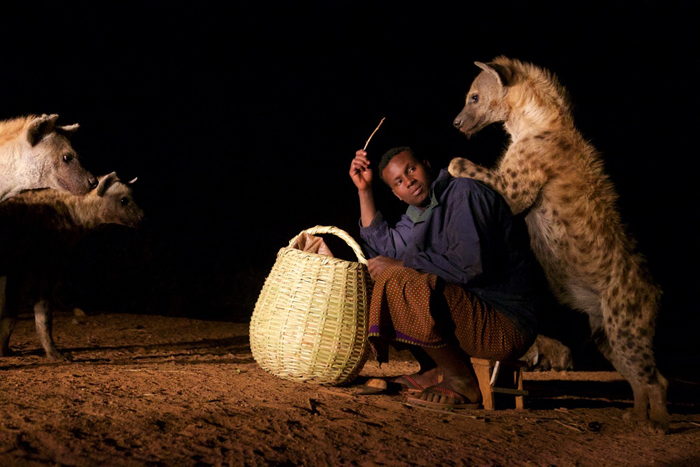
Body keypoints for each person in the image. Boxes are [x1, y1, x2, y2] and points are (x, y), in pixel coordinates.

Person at [349, 146, 550, 409]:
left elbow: (471, 266)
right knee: (386, 277)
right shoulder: (422, 216)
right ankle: (434, 369)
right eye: (399, 181)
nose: (409, 181)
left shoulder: (463, 194)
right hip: (477, 315)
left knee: (401, 280)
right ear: (396, 194)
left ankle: (461, 381)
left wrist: (401, 265)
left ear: (427, 164)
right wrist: (364, 190)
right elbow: (386, 249)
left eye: (411, 170)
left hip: (505, 323)